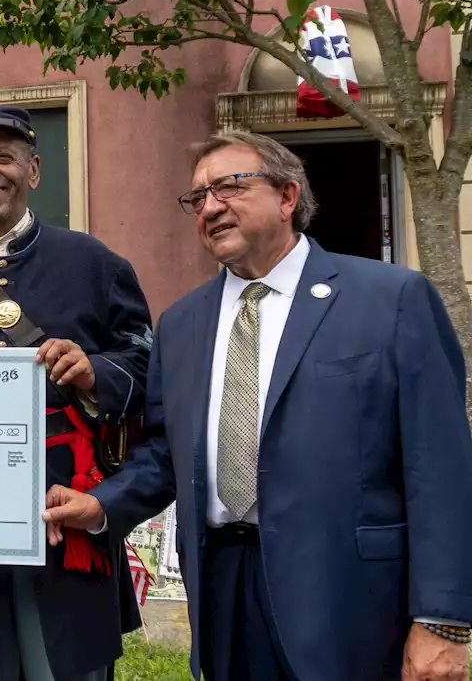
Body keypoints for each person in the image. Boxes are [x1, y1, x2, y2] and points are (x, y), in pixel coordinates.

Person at [44, 131, 472, 681]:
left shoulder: (392, 300)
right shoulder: (181, 325)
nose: (210, 206)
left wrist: (443, 619)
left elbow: (440, 466)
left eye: (229, 187)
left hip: (350, 600)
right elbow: (165, 455)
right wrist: (100, 505)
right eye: (198, 198)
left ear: (287, 197)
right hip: (224, 590)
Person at [0, 105, 153, 681]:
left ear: (34, 171)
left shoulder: (97, 264)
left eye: (3, 158)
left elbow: (148, 367)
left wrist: (93, 370)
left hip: (69, 513)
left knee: (67, 664)